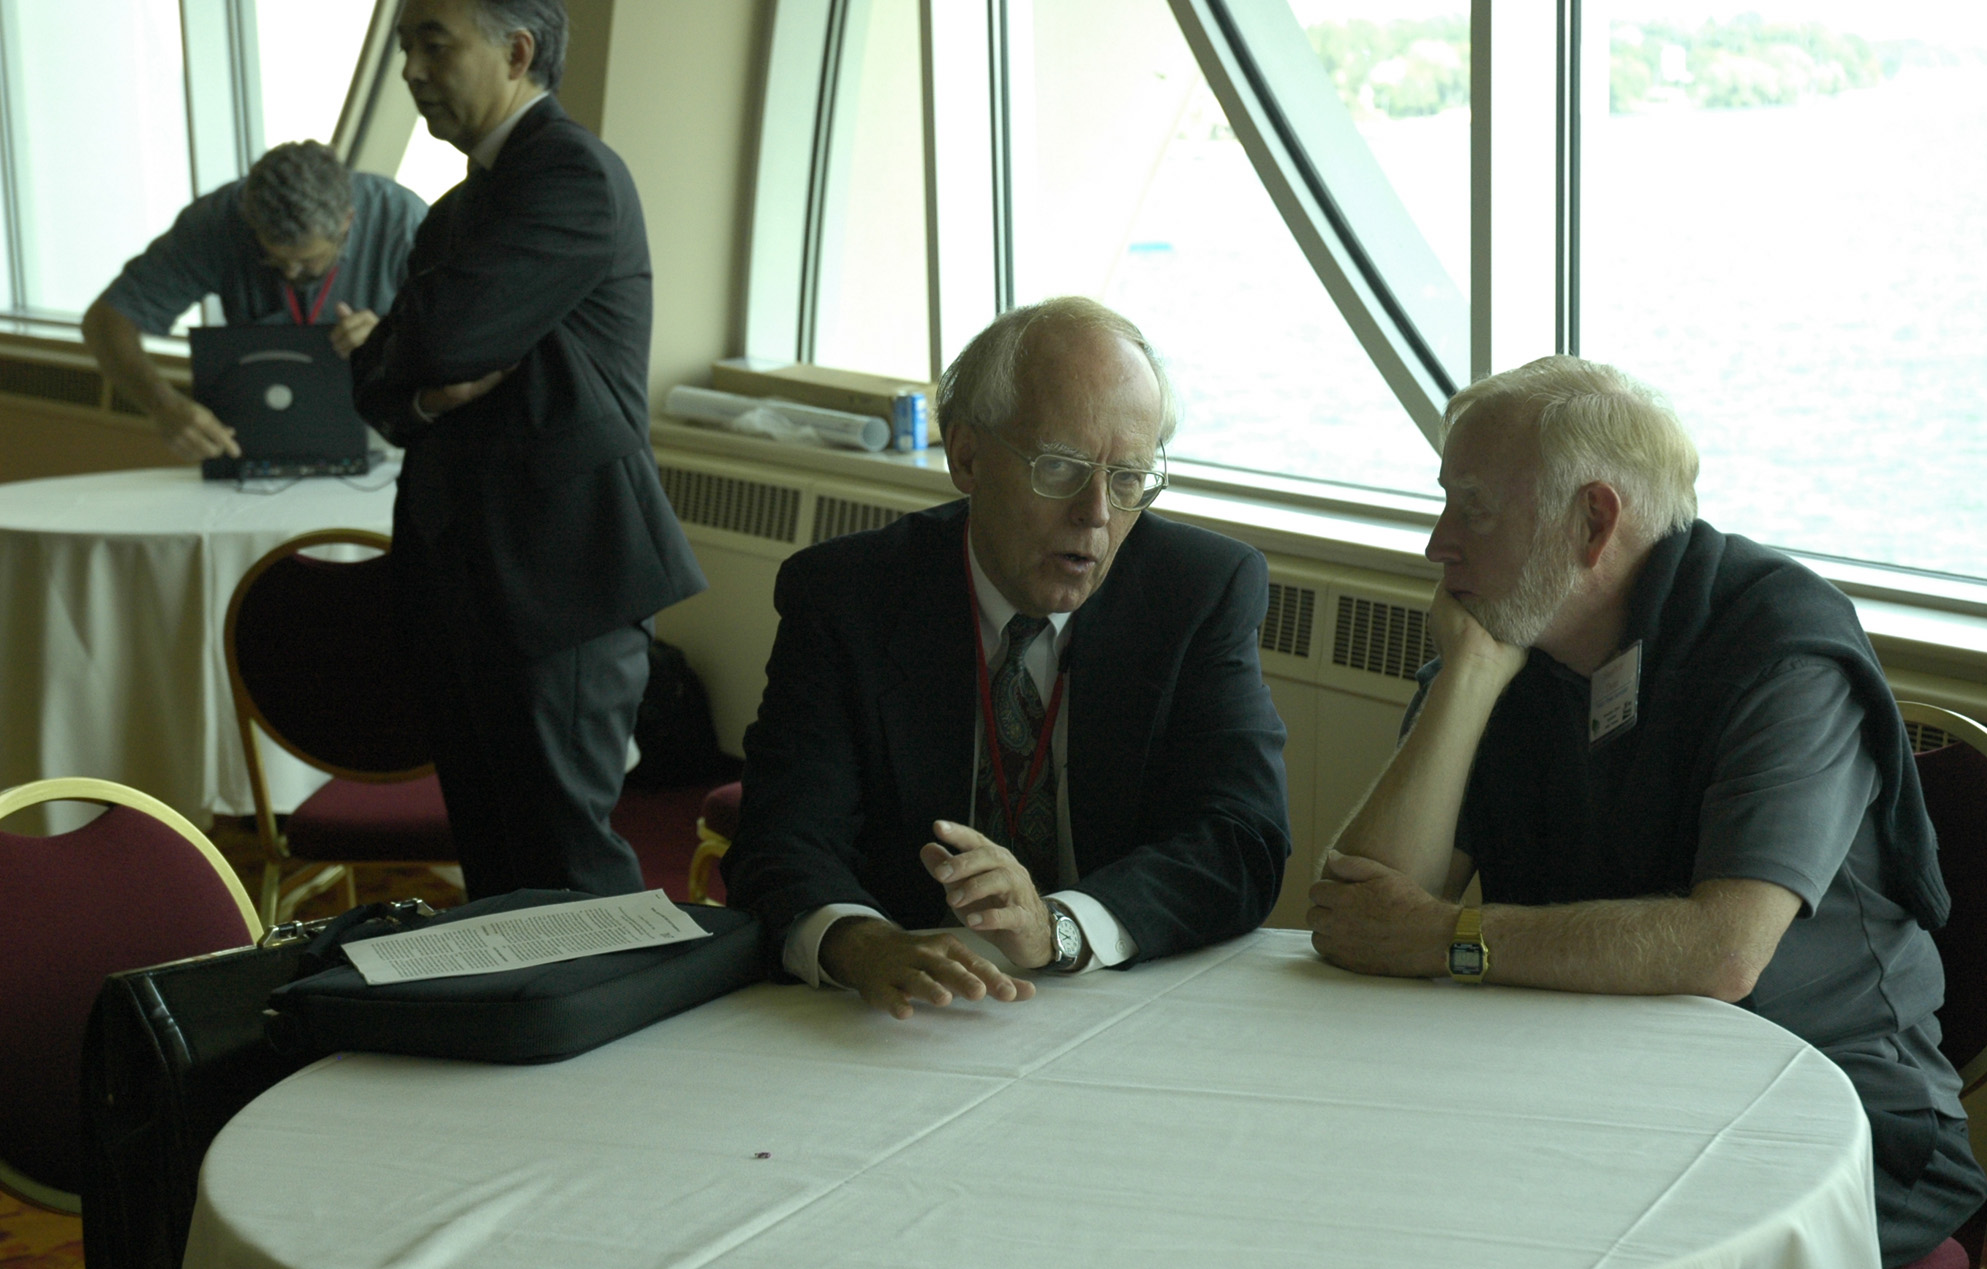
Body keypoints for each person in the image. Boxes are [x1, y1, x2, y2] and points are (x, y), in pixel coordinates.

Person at [1307, 355, 1987, 1269]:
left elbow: (1723, 952)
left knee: (1505, 1250)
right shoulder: (1516, 635)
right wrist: (1466, 678)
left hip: (1832, 1119)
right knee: (1363, 1189)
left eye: (1473, 508)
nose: (1438, 544)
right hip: (1590, 1082)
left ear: (1593, 521)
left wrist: (1445, 938)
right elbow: (1361, 911)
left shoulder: (1779, 647)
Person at [723, 297, 1292, 1019]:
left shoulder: (1200, 589)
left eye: (1127, 478)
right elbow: (781, 836)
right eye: (1060, 467)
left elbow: (1240, 839)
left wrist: (1057, 926)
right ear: (966, 456)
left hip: (1117, 995)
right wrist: (861, 943)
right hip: (908, 1012)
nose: (1096, 513)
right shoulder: (847, 595)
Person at [351, 0, 704, 899]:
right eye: (404, 46)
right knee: (495, 865)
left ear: (516, 52)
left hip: (563, 574)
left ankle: (624, 996)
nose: (411, 70)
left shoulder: (571, 172)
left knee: (566, 865)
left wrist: (417, 365)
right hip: (464, 576)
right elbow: (380, 382)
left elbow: (439, 338)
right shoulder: (456, 210)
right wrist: (424, 386)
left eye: (434, 44)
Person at [84, 140, 426, 463]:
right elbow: (105, 321)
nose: (290, 272)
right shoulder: (216, 221)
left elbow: (454, 346)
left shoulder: (403, 221)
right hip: (257, 436)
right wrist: (164, 407)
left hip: (386, 429)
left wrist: (393, 339)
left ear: (346, 222)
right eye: (274, 258)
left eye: (308, 261)